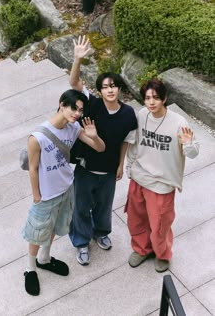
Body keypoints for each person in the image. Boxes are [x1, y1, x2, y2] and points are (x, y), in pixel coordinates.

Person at [22, 89, 105, 296]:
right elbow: (32, 168)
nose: (76, 113)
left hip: (66, 189)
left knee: (53, 229)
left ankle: (45, 259)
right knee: (37, 233)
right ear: (61, 104)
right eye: (73, 108)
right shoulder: (38, 137)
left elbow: (100, 148)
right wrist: (36, 196)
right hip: (46, 195)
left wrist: (95, 137)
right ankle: (30, 268)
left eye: (80, 110)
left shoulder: (73, 128)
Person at [68, 35, 138, 266]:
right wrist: (77, 59)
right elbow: (74, 83)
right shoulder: (93, 104)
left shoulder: (128, 114)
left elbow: (127, 140)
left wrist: (120, 165)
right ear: (99, 91)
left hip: (108, 171)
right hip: (86, 169)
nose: (110, 90)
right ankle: (81, 241)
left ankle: (100, 232)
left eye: (113, 86)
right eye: (105, 87)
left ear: (119, 89)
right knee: (80, 207)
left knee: (104, 207)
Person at [125, 78, 199, 273]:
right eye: (147, 98)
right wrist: (130, 168)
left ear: (164, 98)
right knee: (136, 219)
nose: (151, 102)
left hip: (162, 183)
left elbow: (191, 152)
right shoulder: (142, 115)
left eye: (156, 98)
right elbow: (135, 144)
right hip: (140, 177)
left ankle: (162, 254)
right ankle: (142, 249)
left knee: (159, 224)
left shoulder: (178, 122)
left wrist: (189, 143)